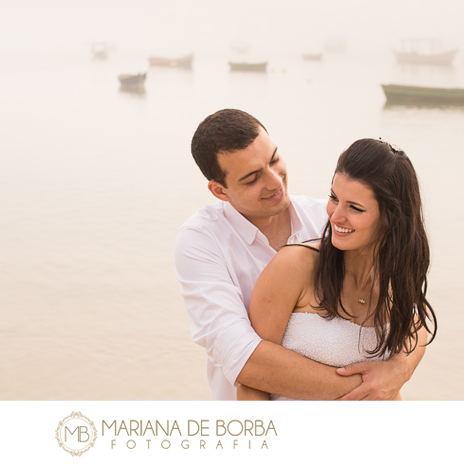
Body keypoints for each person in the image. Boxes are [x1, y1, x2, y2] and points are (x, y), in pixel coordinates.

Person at [175, 109, 426, 401]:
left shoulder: (332, 217)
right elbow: (244, 360)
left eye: (274, 160)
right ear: (220, 191)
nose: (274, 182)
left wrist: (400, 368)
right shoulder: (201, 241)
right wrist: (371, 391)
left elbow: (412, 313)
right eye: (253, 178)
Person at [236, 137, 436, 400]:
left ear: (391, 217)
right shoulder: (295, 266)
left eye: (355, 208)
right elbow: (251, 384)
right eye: (334, 197)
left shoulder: (396, 281)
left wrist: (400, 367)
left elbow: (418, 322)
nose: (335, 215)